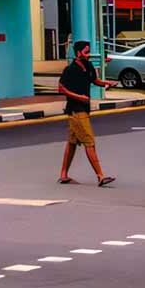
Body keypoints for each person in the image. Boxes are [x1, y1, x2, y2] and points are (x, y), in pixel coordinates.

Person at [56, 40, 115, 187]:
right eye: (86, 52)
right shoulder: (69, 70)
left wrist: (107, 83)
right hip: (76, 110)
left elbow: (95, 81)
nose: (88, 55)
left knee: (72, 143)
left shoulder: (88, 66)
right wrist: (78, 97)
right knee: (89, 142)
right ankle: (100, 176)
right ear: (78, 53)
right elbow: (61, 89)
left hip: (84, 108)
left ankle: (63, 174)